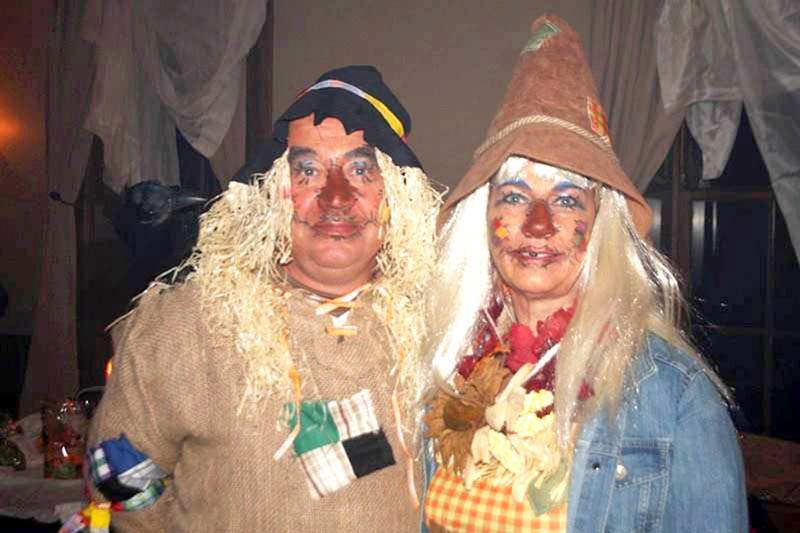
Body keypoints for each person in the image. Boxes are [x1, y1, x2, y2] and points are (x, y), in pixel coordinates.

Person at [65, 66, 440, 533]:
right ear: (274, 192)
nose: (335, 197)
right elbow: (116, 478)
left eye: (361, 170)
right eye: (307, 171)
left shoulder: (438, 322)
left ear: (395, 195)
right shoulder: (185, 324)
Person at [419, 15, 747, 533]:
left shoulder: (675, 396)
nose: (538, 224)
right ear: (483, 216)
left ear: (599, 226)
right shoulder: (441, 366)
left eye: (567, 200)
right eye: (514, 196)